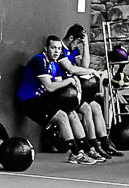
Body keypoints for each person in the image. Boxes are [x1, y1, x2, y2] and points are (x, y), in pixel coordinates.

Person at [19, 36, 98, 165]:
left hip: (43, 98)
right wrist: (71, 80)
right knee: (62, 116)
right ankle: (75, 154)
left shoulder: (55, 64)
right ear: (46, 48)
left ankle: (88, 149)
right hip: (28, 100)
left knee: (71, 112)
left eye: (59, 48)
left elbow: (59, 84)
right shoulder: (40, 60)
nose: (56, 51)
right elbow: (49, 87)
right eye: (53, 48)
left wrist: (74, 83)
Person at [58, 24, 123, 159]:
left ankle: (105, 144)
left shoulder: (74, 50)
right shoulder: (59, 49)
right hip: (63, 92)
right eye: (77, 42)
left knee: (96, 107)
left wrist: (86, 45)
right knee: (87, 108)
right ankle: (93, 146)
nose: (77, 46)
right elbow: (71, 69)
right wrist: (91, 72)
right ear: (71, 38)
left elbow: (84, 65)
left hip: (76, 89)